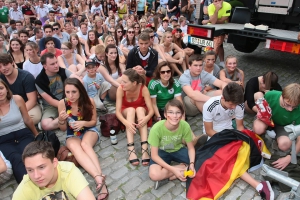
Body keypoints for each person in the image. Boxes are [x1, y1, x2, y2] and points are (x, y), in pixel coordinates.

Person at [202, 82, 274, 200]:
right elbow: (209, 130)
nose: (234, 108)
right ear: (223, 98)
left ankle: (260, 185)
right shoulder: (210, 105)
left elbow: (240, 127)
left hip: (230, 130)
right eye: (231, 104)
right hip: (215, 133)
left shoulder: (238, 104)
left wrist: (244, 138)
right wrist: (226, 139)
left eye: (236, 105)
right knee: (226, 159)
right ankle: (258, 185)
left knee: (240, 151)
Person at [57, 78, 108, 199]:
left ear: (80, 90)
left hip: (88, 130)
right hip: (72, 134)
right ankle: (99, 177)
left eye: (74, 91)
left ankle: (100, 181)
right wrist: (61, 119)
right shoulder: (62, 104)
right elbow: (63, 129)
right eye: (67, 92)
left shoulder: (89, 101)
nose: (70, 95)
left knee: (85, 145)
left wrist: (83, 123)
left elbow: (94, 122)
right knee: (76, 149)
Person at [12, 141, 96, 200]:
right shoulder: (26, 185)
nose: (36, 176)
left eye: (41, 167)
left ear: (54, 162)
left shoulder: (68, 171)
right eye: (30, 170)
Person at [148, 99, 196, 189]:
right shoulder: (156, 129)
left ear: (182, 115)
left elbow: (191, 148)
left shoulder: (185, 125)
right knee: (154, 175)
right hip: (161, 151)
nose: (174, 116)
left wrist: (192, 164)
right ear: (165, 114)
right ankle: (183, 168)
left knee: (198, 162)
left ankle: (169, 177)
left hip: (178, 149)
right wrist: (173, 169)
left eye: (178, 112)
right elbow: (154, 155)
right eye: (171, 112)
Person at [253, 83, 300, 170]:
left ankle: (274, 140)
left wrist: (290, 157)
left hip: (283, 126)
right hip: (268, 119)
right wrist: (259, 99)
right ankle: (264, 137)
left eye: (294, 107)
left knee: (284, 145)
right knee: (258, 129)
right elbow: (257, 94)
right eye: (288, 105)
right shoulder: (272, 95)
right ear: (282, 96)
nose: (290, 109)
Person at [0, 78, 37, 184]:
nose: (0, 92)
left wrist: (36, 134)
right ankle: (27, 186)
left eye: (1, 88)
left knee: (31, 154)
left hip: (23, 133)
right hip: (4, 140)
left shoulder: (17, 99)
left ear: (6, 89)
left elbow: (27, 119)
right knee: (16, 158)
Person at [115, 69, 154, 166]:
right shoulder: (120, 89)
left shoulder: (143, 88)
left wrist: (147, 117)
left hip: (141, 115)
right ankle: (130, 148)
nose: (121, 83)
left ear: (134, 83)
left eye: (125, 81)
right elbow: (117, 111)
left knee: (140, 109)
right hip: (127, 113)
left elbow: (151, 110)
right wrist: (126, 122)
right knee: (131, 110)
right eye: (122, 81)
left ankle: (144, 148)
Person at [35, 52, 79, 131]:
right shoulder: (39, 80)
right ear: (45, 66)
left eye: (56, 62)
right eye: (52, 64)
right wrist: (67, 108)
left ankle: (65, 120)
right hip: (51, 106)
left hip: (69, 100)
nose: (56, 65)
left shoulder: (62, 71)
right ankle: (69, 118)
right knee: (45, 125)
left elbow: (77, 80)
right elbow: (51, 101)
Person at [0, 53, 42, 125]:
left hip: (28, 106)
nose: (3, 68)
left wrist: (15, 113)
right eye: (0, 67)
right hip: (6, 107)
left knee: (34, 117)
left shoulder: (26, 77)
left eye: (5, 64)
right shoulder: (1, 78)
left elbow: (32, 100)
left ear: (12, 63)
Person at [202, 0, 231, 68]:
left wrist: (209, 20)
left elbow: (222, 20)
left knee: (218, 45)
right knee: (209, 45)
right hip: (210, 27)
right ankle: (208, 62)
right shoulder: (211, 6)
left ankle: (217, 62)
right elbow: (214, 22)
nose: (217, 2)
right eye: (215, 0)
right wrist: (217, 10)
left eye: (219, 0)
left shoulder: (227, 5)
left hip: (221, 27)